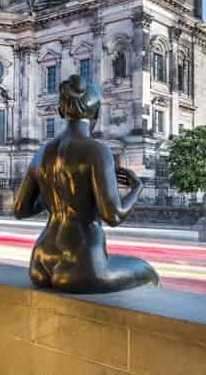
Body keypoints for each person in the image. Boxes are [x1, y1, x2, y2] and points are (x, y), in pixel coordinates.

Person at [14, 75, 158, 293]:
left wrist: (53, 189)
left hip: (41, 259)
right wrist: (137, 188)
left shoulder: (42, 153)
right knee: (147, 271)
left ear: (62, 112)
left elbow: (20, 210)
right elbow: (114, 216)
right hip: (81, 262)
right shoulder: (97, 151)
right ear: (97, 113)